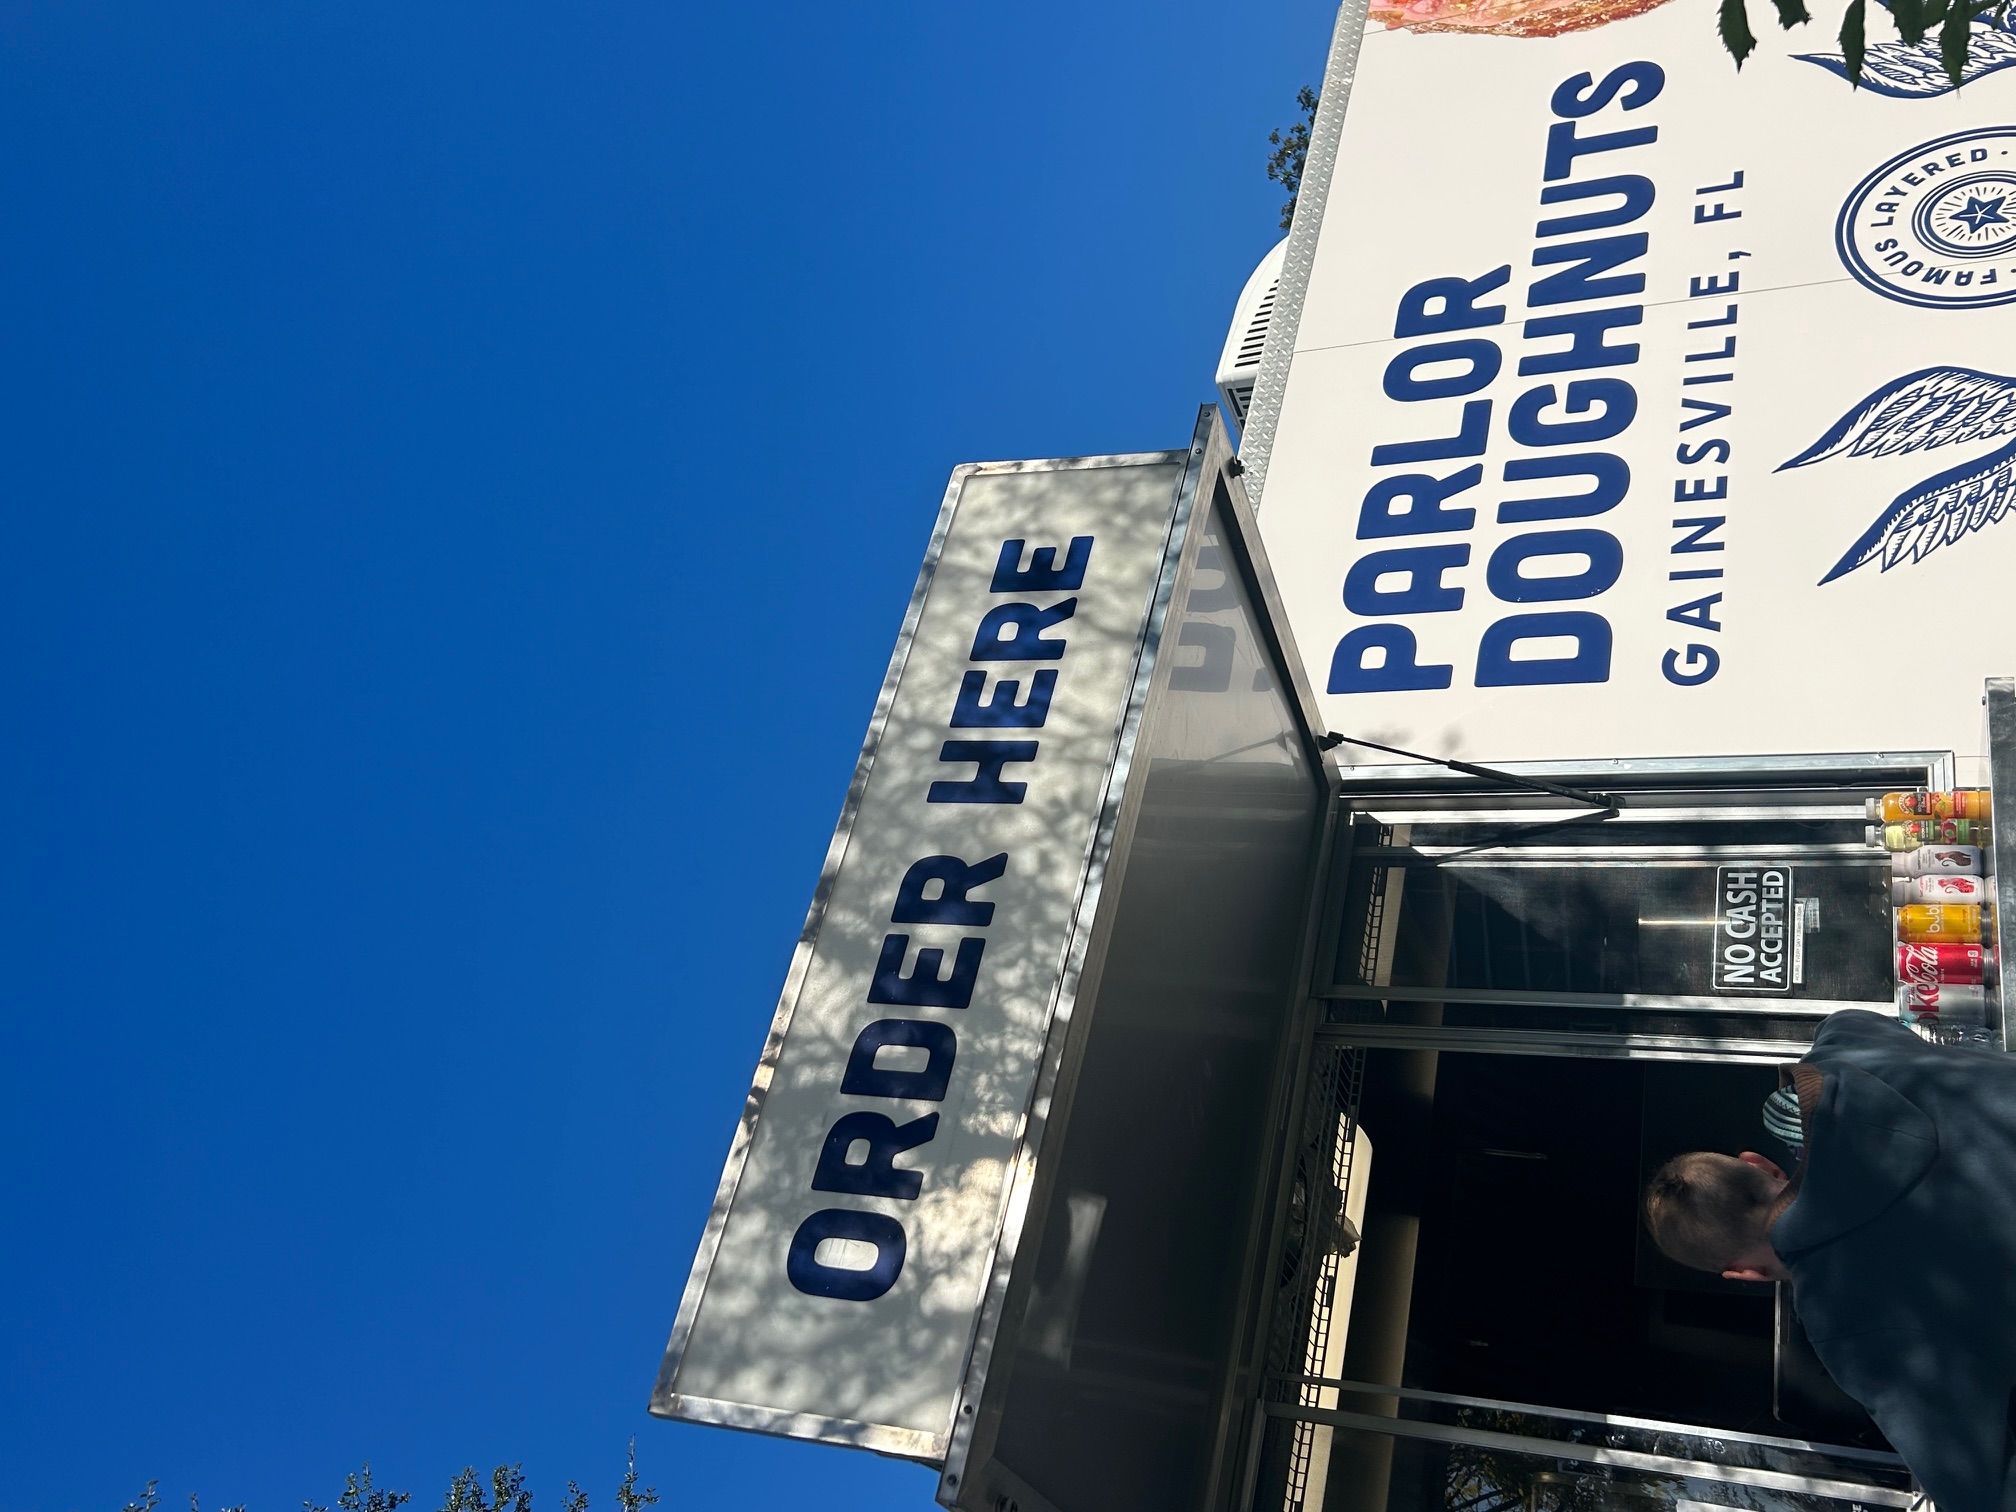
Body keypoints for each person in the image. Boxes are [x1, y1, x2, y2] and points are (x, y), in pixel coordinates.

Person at [1643, 1007, 2016, 1512]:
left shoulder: (1847, 1323)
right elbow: (1842, 1020)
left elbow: (1985, 1487)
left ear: (1743, 1274)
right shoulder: (1852, 1054)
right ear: (1758, 1162)